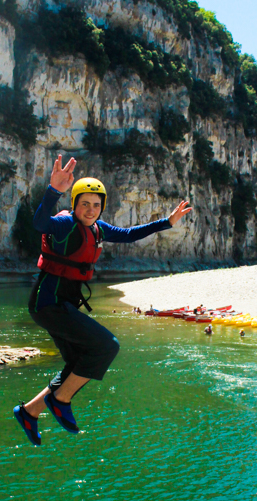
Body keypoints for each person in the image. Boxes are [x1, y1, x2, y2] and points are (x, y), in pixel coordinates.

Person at [14, 155, 193, 445]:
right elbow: (38, 223)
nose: (91, 209)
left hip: (61, 306)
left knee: (77, 363)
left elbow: (130, 234)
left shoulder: (97, 228)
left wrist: (167, 222)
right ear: (74, 204)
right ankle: (60, 401)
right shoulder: (63, 225)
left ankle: (29, 412)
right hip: (47, 304)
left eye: (96, 205)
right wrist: (52, 191)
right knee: (107, 346)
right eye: (84, 203)